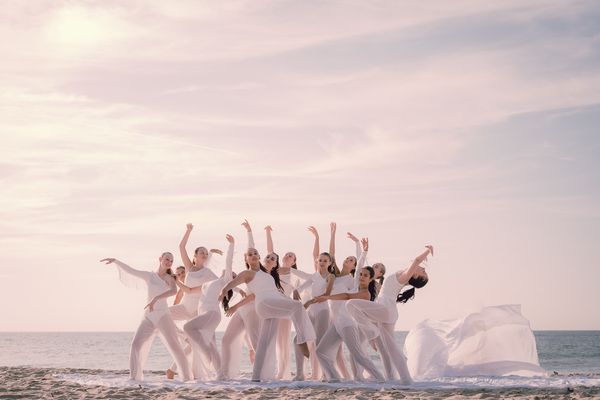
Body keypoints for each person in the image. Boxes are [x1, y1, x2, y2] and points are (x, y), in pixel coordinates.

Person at [219, 238, 316, 382]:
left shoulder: (267, 275)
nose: (253, 255)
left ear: (259, 257)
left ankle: (256, 378)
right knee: (297, 307)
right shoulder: (248, 273)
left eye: (255, 253)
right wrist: (224, 291)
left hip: (272, 304)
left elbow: (277, 292)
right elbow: (231, 283)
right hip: (264, 303)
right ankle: (302, 339)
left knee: (264, 344)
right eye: (250, 254)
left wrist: (292, 295)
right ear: (247, 258)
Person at [346, 245, 434, 384]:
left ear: (416, 275)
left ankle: (371, 331)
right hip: (388, 311)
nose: (423, 268)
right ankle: (403, 379)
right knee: (390, 349)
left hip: (385, 308)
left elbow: (416, 260)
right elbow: (414, 262)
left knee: (350, 304)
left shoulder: (406, 275)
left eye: (423, 272)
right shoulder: (404, 274)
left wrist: (427, 251)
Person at [100, 253, 192, 381]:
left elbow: (173, 291)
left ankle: (187, 379)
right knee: (135, 345)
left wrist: (156, 298)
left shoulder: (169, 277)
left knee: (175, 347)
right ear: (160, 259)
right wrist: (116, 261)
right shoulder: (149, 276)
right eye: (167, 259)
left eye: (171, 261)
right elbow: (132, 271)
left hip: (163, 316)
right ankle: (134, 378)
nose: (169, 262)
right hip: (148, 317)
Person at [175, 234, 236, 378]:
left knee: (206, 340)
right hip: (195, 310)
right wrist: (189, 231)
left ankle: (212, 364)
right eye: (201, 252)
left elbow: (227, 273)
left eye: (206, 253)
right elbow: (181, 248)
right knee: (210, 343)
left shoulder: (212, 276)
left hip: (203, 312)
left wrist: (231, 246)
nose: (204, 254)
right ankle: (218, 374)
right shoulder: (196, 275)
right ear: (194, 255)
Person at [313, 262, 385, 383]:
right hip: (337, 323)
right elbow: (358, 266)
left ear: (371, 278)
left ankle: (381, 379)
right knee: (320, 351)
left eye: (365, 275)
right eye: (360, 274)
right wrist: (364, 251)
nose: (361, 276)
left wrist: (327, 297)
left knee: (358, 356)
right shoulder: (354, 286)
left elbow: (347, 296)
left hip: (348, 325)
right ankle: (334, 378)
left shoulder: (365, 294)